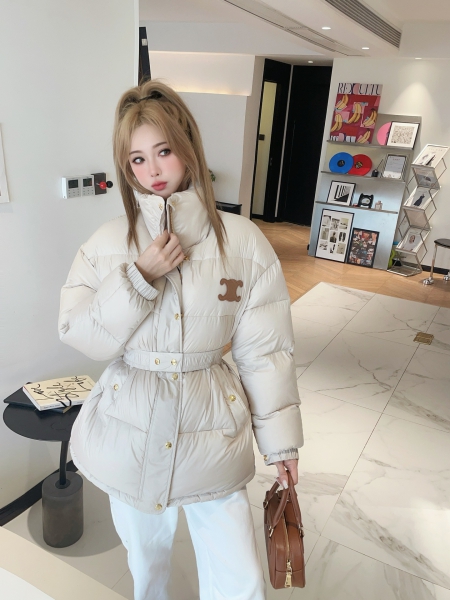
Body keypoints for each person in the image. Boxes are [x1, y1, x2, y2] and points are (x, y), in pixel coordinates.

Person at [58, 80, 304, 600]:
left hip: (212, 426)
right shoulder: (108, 243)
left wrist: (281, 442)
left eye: (164, 151)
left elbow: (264, 352)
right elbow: (80, 334)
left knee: (239, 577)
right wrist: (139, 277)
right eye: (137, 159)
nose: (153, 170)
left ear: (188, 147)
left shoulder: (243, 241)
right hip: (129, 429)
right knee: (146, 566)